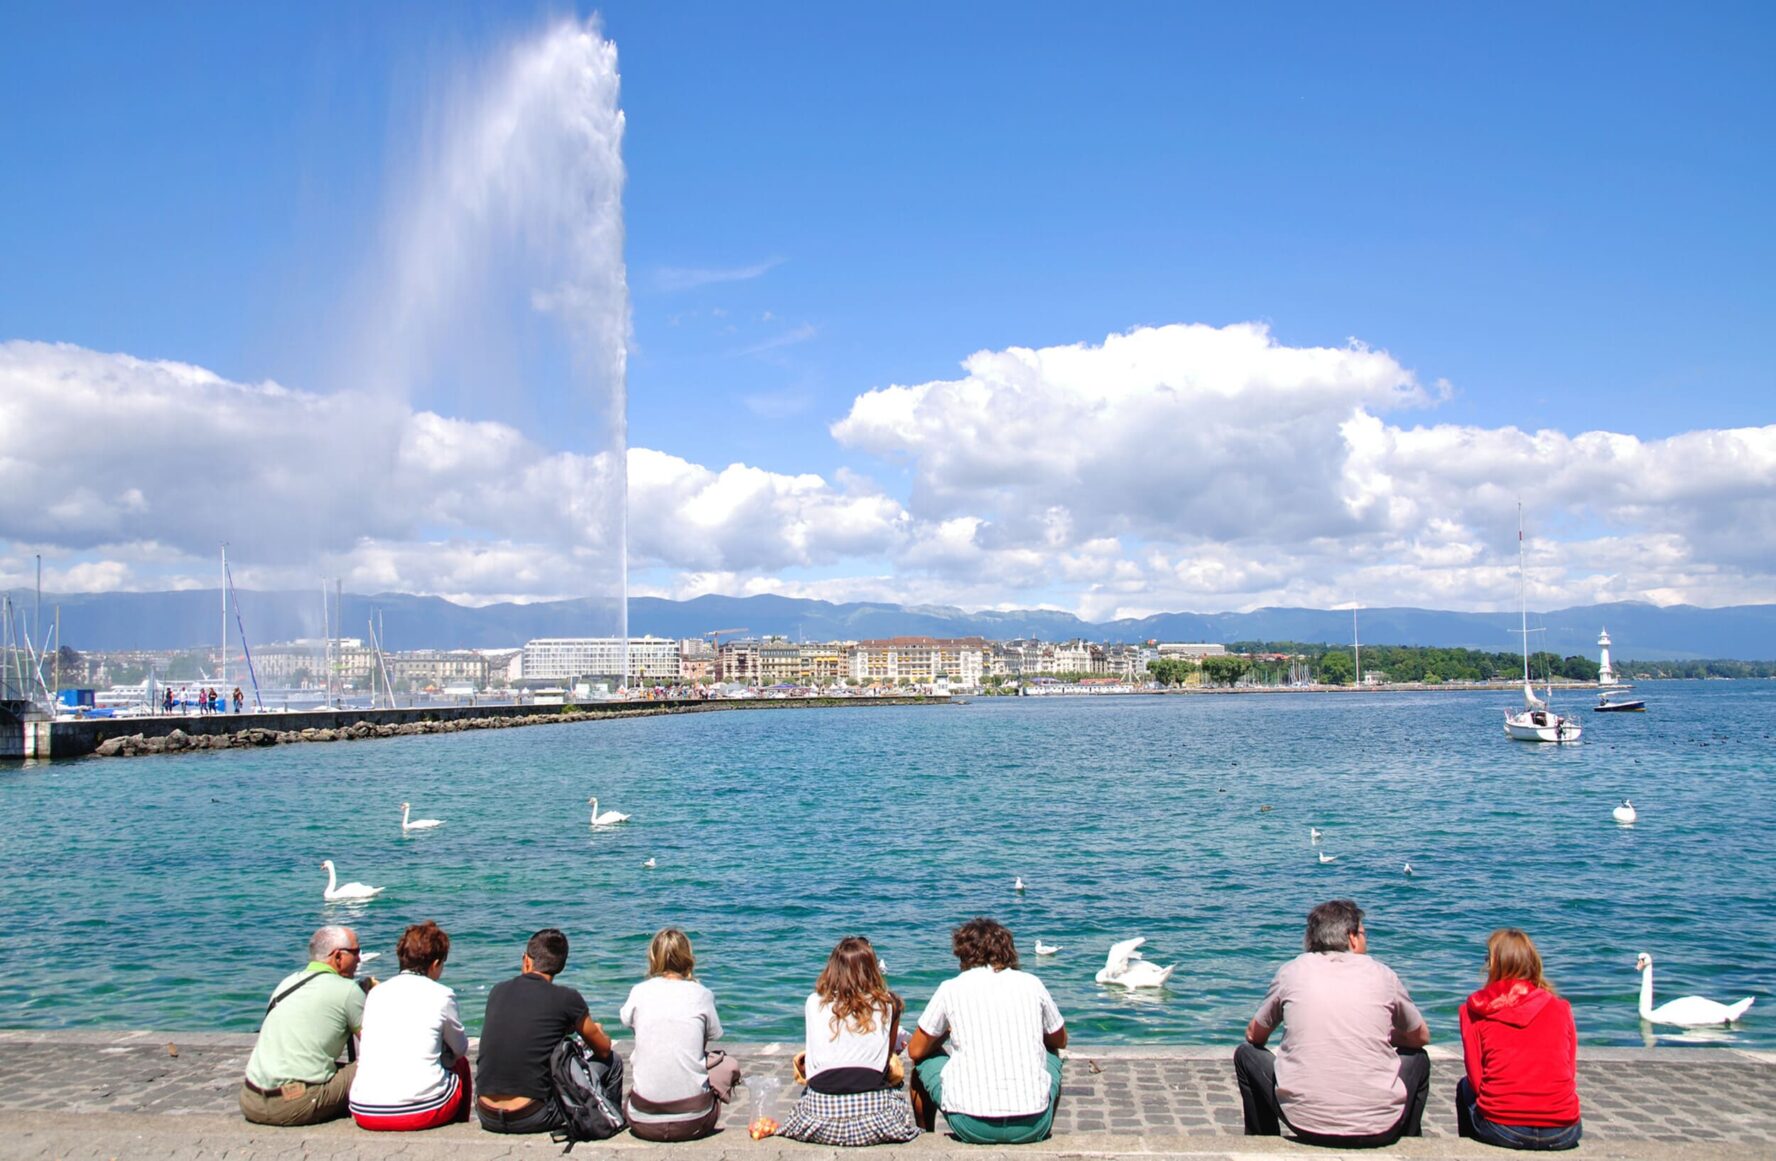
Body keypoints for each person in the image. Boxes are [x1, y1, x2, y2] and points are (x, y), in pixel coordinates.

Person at [1235, 898, 1431, 1147]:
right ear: (1351, 938)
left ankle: (1263, 1144)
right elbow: (1421, 1036)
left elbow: (1254, 1036)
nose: (1365, 939)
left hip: (1305, 1122)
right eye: (1363, 933)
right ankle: (1411, 1145)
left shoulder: (1292, 971)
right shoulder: (1382, 974)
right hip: (1379, 1126)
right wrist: (1387, 1036)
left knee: (1246, 1054)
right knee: (1419, 1058)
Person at [907, 917, 1066, 1145]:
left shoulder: (950, 988)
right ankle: (1042, 1118)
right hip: (1033, 1124)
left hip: (969, 1124)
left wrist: (946, 1031)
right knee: (1051, 1051)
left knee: (924, 1057)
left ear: (962, 952)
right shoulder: (1032, 983)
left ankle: (926, 1136)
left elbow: (915, 1049)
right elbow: (1060, 1039)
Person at [780, 936, 920, 1146]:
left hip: (820, 1117)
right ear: (872, 969)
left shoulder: (813, 1002)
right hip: (874, 1120)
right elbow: (886, 1058)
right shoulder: (888, 1004)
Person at [476, 928, 614, 1134]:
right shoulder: (567, 998)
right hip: (532, 1116)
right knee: (613, 1063)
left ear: (526, 960)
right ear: (561, 966)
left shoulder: (497, 991)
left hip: (486, 1113)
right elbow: (603, 1050)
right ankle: (604, 1123)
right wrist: (599, 1032)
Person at [1458, 929, 1582, 1150]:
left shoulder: (1474, 1011)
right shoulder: (1561, 1008)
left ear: (1492, 965)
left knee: (1464, 1087)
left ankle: (1472, 1152)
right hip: (1563, 1130)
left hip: (1502, 1129)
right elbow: (1569, 1072)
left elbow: (1477, 1082)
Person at [239, 926, 372, 1126]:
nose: (359, 959)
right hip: (293, 1105)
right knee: (375, 1067)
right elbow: (378, 1046)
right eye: (356, 952)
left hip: (251, 1099)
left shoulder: (286, 983)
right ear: (337, 957)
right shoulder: (347, 991)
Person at [349, 921, 471, 1131]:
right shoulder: (442, 994)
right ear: (435, 964)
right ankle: (459, 1127)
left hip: (364, 1109)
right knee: (461, 1066)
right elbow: (460, 1049)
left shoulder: (376, 993)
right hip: (420, 1111)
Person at [621, 927, 726, 1142]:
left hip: (642, 1120)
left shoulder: (639, 991)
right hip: (694, 1122)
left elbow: (627, 1020)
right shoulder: (702, 993)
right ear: (689, 958)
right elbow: (714, 1033)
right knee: (726, 1064)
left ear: (653, 957)